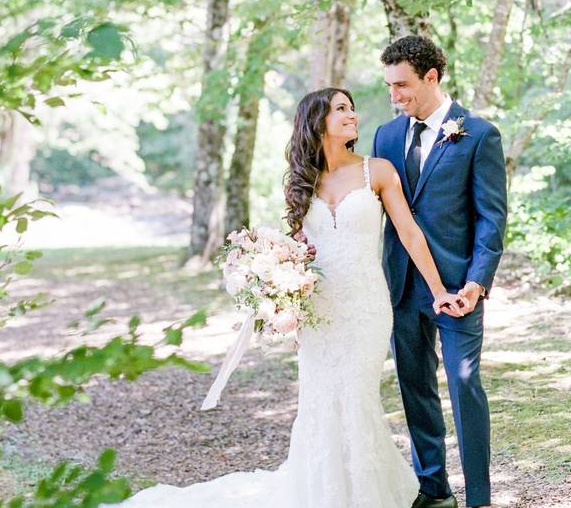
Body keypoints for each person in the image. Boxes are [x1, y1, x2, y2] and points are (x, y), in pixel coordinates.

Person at [114, 87, 465, 508]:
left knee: (356, 395)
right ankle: (323, 491)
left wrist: (439, 289)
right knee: (319, 399)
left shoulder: (379, 171)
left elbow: (409, 234)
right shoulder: (302, 182)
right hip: (318, 310)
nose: (352, 115)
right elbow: (299, 249)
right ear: (317, 122)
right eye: (341, 109)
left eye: (352, 108)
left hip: (366, 306)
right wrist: (282, 294)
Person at [373, 35, 507, 508]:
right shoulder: (386, 136)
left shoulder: (479, 134)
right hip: (402, 287)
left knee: (464, 384)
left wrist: (475, 284)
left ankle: (479, 498)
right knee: (415, 387)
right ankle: (433, 489)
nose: (395, 96)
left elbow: (492, 219)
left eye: (403, 85)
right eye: (389, 86)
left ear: (432, 77)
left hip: (458, 288)